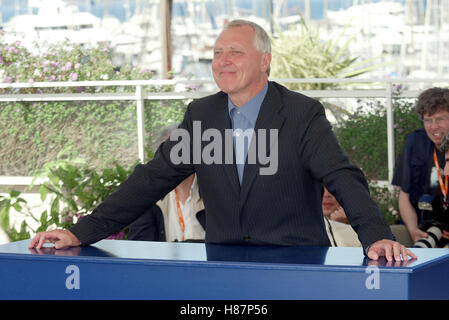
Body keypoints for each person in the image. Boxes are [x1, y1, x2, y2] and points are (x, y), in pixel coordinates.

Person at [30, 19, 415, 262]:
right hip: (223, 266)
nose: (222, 61)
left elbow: (342, 175)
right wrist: (80, 232)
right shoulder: (202, 114)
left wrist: (377, 238)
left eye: (235, 52)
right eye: (217, 53)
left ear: (265, 61)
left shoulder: (301, 113)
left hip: (295, 265)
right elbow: (151, 180)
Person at [128, 125, 205, 242]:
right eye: (168, 151)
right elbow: (140, 247)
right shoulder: (148, 197)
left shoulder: (214, 191)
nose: (175, 156)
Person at [392, 87, 449, 244]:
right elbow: (404, 195)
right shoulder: (415, 141)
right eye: (428, 120)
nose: (433, 127)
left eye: (440, 119)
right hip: (421, 228)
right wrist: (413, 230)